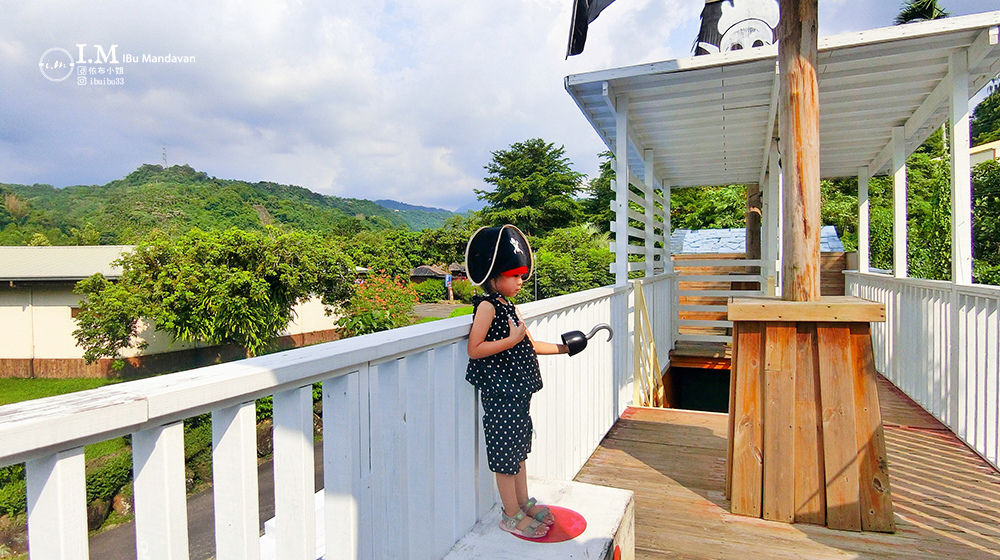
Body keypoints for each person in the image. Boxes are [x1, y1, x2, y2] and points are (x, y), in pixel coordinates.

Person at [464, 225, 569, 539]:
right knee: (505, 455)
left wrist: (565, 349)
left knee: (519, 450)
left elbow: (529, 344)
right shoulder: (487, 306)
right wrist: (511, 340)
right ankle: (510, 514)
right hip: (500, 393)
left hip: (518, 393)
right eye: (515, 275)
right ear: (495, 277)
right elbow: (475, 349)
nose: (521, 281)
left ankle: (523, 502)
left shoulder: (510, 306)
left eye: (522, 276)